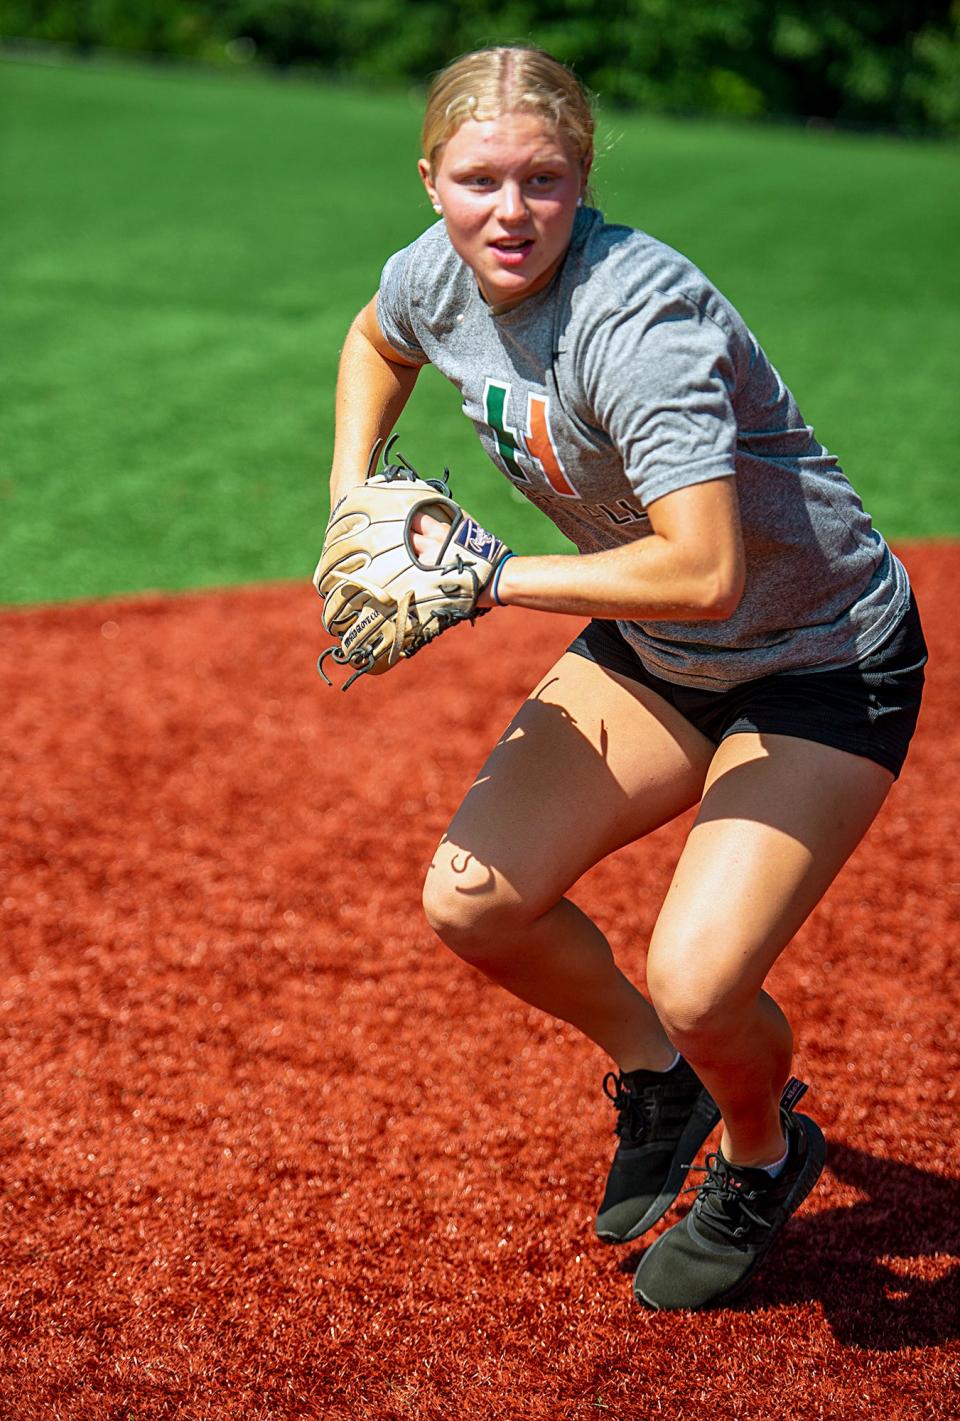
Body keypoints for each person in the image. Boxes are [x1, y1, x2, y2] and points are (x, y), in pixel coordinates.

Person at [324, 45, 927, 1311]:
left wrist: (488, 579)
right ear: (428, 179)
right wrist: (354, 494)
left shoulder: (634, 317)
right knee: (474, 901)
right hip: (660, 653)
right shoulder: (435, 272)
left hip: (819, 662)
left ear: (583, 177)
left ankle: (762, 1155)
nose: (510, 211)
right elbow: (377, 339)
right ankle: (660, 1078)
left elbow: (705, 570)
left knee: (705, 979)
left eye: (543, 180)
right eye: (479, 179)